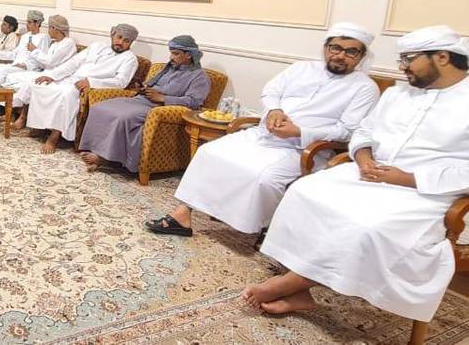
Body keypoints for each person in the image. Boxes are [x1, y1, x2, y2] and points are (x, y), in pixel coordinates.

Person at [244, 25, 469, 322]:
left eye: (408, 60)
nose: (402, 68)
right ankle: (299, 282)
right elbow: (364, 131)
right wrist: (363, 158)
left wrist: (404, 178)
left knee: (366, 225)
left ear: (441, 57)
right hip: (370, 173)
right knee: (304, 192)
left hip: (428, 191)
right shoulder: (398, 95)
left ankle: (294, 284)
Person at [146, 23, 380, 238]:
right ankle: (182, 215)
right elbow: (271, 91)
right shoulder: (301, 68)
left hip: (304, 146)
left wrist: (299, 131)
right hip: (264, 133)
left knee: (264, 178)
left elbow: (347, 131)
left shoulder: (364, 88)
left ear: (360, 57)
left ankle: (263, 229)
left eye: (351, 52)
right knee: (209, 153)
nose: (340, 55)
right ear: (326, 48)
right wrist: (275, 110)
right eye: (335, 47)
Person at [80, 35, 212, 174]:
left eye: (176, 54)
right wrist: (144, 89)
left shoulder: (200, 77)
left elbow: (194, 102)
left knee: (123, 117)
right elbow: (155, 85)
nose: (172, 57)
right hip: (142, 100)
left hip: (160, 108)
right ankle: (94, 148)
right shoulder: (170, 68)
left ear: (189, 55)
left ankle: (103, 158)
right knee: (99, 108)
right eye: (171, 53)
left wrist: (163, 98)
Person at [26, 24, 139, 154]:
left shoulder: (130, 59)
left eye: (126, 41)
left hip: (90, 87)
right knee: (40, 86)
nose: (121, 43)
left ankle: (54, 136)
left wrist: (91, 82)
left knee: (67, 94)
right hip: (72, 78)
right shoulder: (97, 46)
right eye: (119, 37)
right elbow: (74, 62)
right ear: (112, 35)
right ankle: (41, 127)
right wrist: (52, 76)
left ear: (131, 42)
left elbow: (121, 82)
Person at [1, 15, 78, 126]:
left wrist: (35, 51)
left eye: (50, 28)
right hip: (46, 72)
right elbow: (46, 62)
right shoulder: (55, 43)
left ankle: (23, 117)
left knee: (31, 84)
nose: (48, 31)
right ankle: (10, 113)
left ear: (55, 29)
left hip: (58, 77)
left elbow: (51, 61)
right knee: (14, 78)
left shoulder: (68, 43)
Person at [0, 10, 50, 84]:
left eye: (29, 22)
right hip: (14, 65)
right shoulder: (25, 36)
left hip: (27, 69)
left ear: (37, 23)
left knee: (2, 72)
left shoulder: (43, 38)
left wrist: (26, 65)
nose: (27, 24)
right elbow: (14, 54)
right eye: (27, 22)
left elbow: (42, 61)